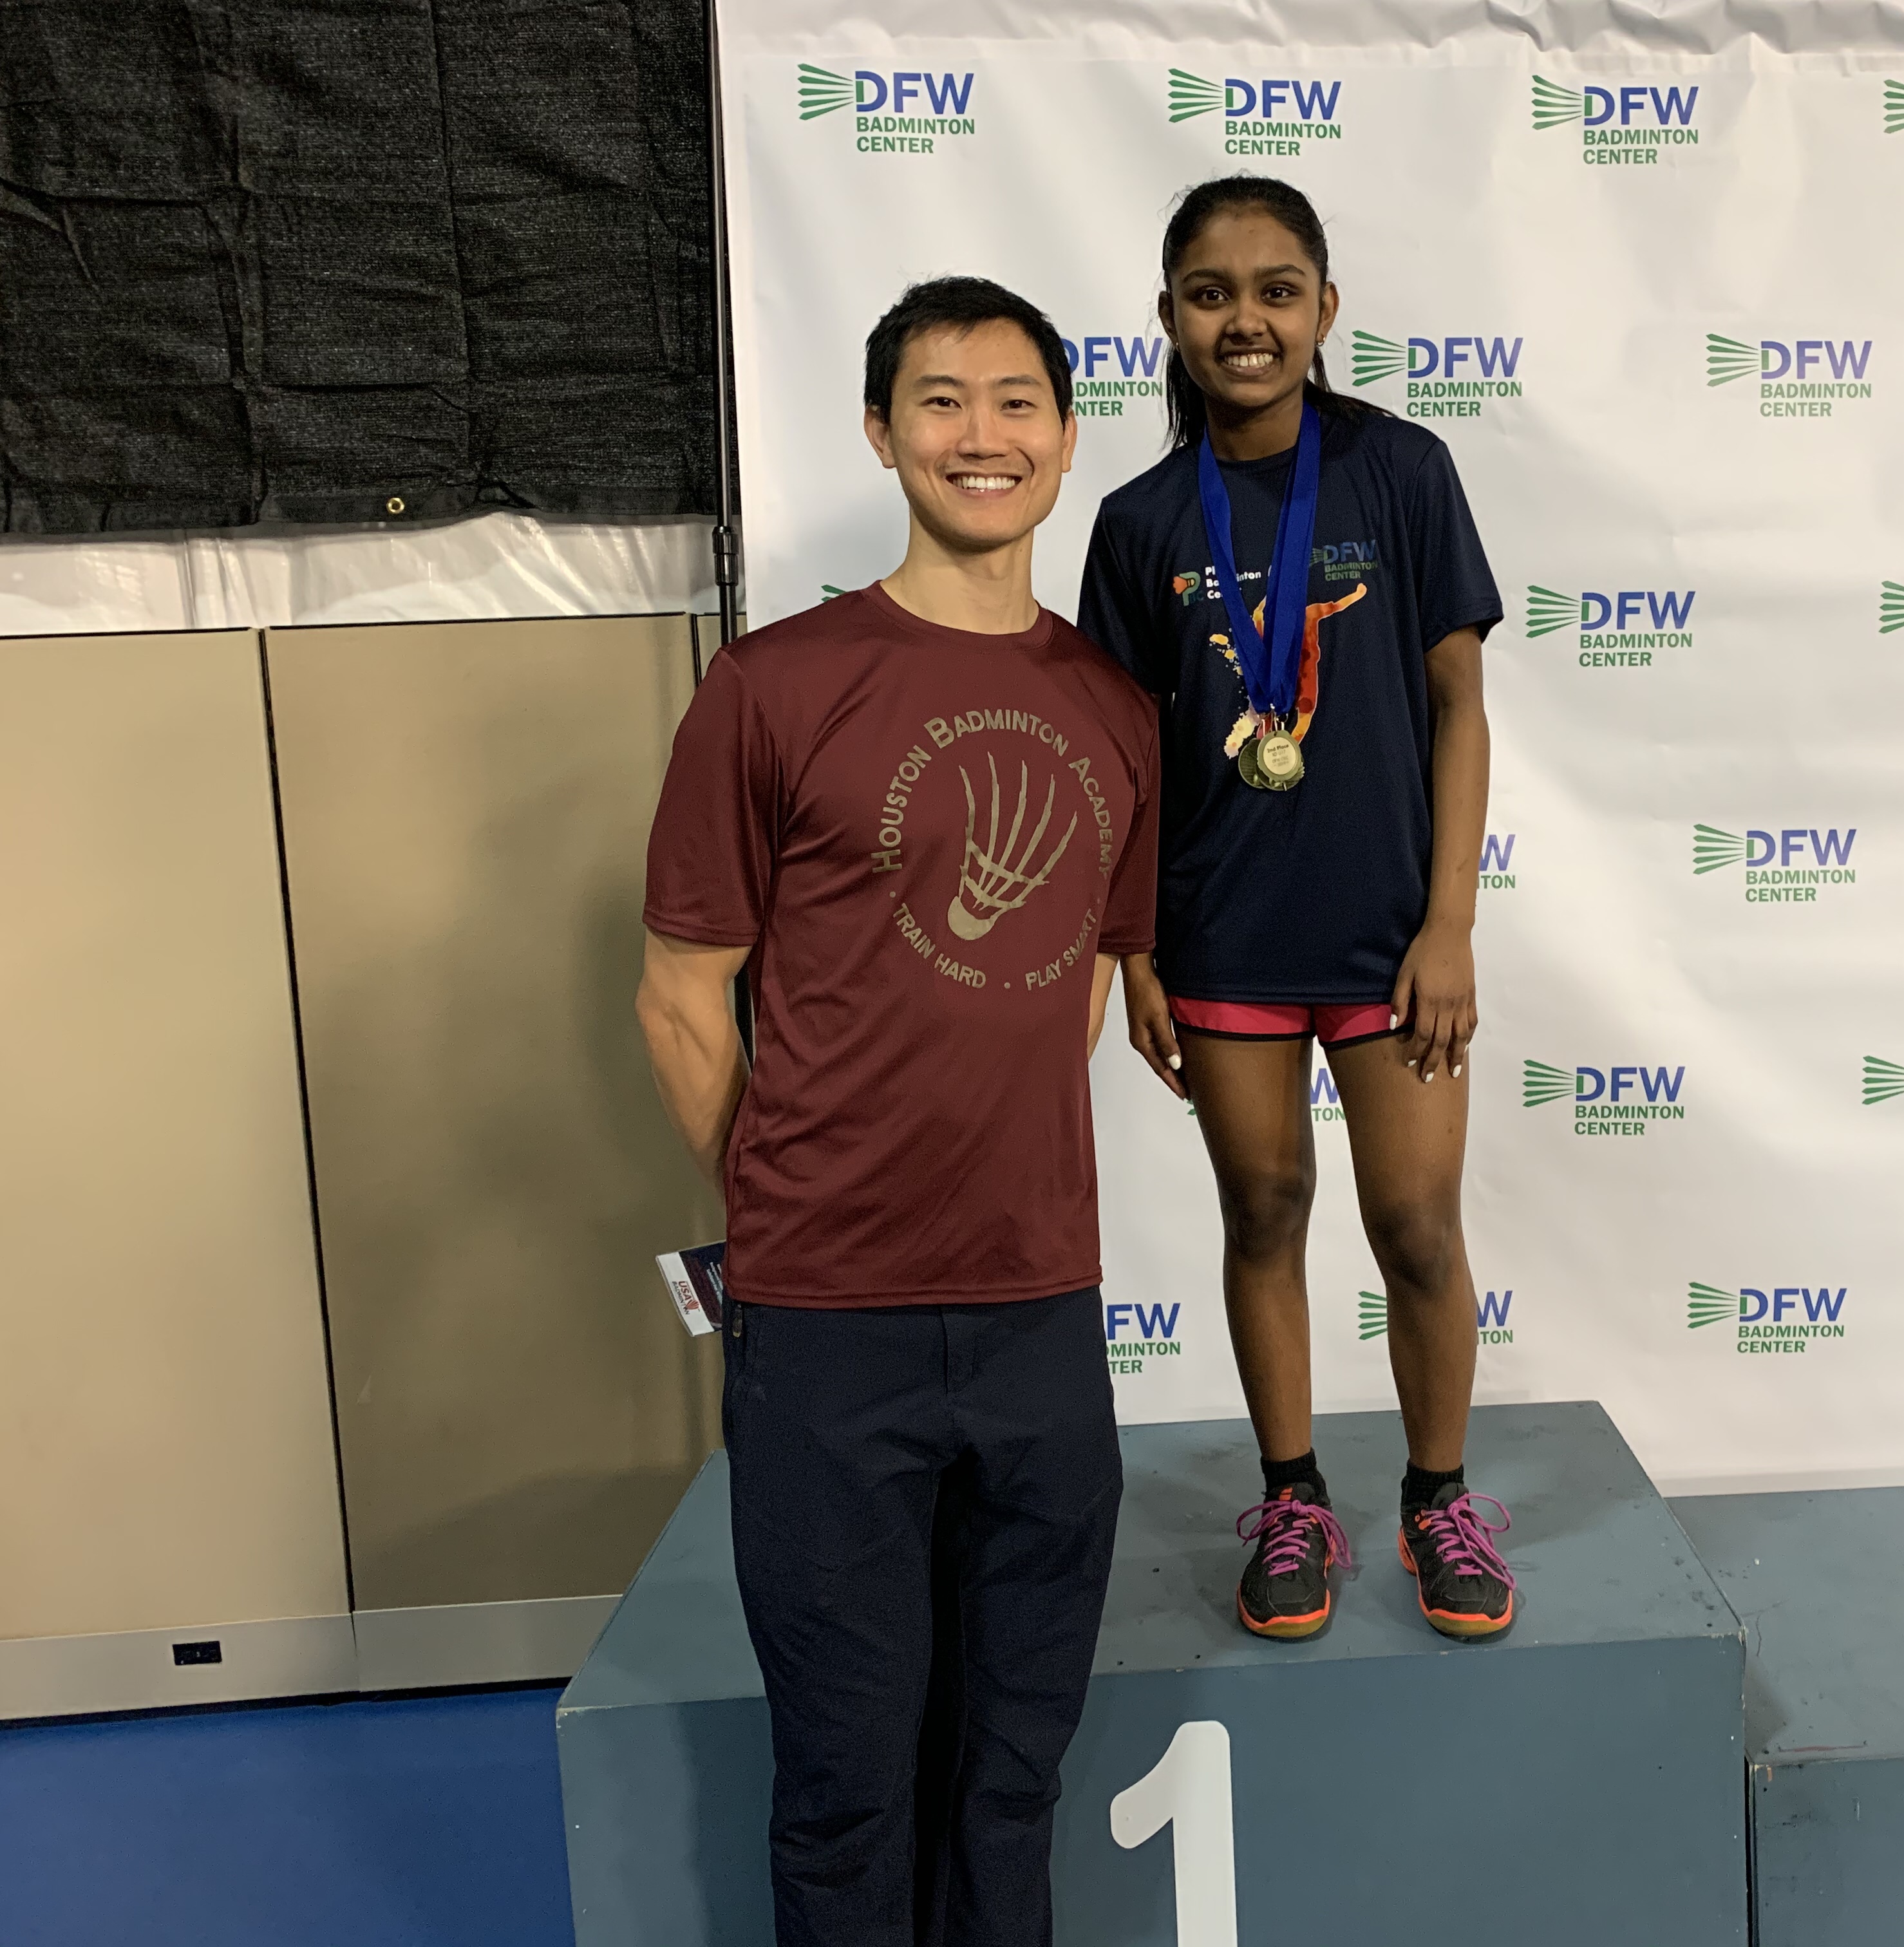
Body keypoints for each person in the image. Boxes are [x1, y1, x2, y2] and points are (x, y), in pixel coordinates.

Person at [636, 276, 1159, 1947]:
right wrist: (792, 1203)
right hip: (827, 1333)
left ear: (1065, 438)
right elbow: (680, 998)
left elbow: (1082, 982)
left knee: (1010, 1777)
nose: (980, 435)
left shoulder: (1115, 708)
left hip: (1040, 1320)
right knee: (848, 1785)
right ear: (881, 434)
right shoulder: (773, 687)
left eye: (1016, 402)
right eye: (940, 400)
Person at [1079, 175, 1514, 1644]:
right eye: (1211, 294)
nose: (1246, 320)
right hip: (1224, 935)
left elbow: (1460, 707)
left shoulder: (1399, 471)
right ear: (1168, 317)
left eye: (1277, 290)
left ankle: (1438, 1498)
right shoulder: (1140, 523)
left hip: (1391, 942)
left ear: (1326, 308)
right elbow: (1126, 760)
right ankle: (1292, 1497)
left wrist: (1449, 925)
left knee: (1418, 1227)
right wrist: (1134, 944)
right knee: (1262, 1211)